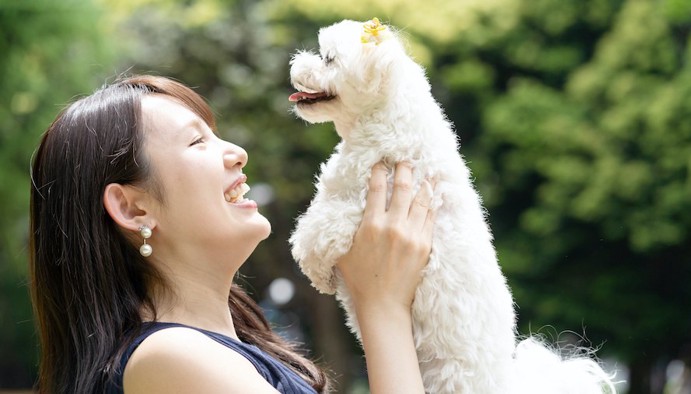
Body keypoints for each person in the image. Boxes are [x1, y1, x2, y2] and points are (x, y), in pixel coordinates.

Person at [29, 75, 436, 393]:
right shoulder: (169, 358)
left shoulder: (219, 349)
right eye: (196, 141)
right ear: (133, 208)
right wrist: (382, 305)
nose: (237, 152)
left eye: (215, 134)